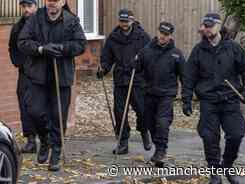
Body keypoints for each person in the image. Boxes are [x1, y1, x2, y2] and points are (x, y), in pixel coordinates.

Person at [182, 13, 245, 184]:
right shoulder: (198, 51)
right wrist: (186, 99)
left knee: (236, 134)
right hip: (208, 101)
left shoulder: (233, 48)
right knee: (209, 137)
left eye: (210, 26)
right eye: (205, 26)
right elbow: (189, 77)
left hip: (230, 100)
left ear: (218, 26)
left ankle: (227, 165)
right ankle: (214, 172)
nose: (207, 29)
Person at [18, 0, 87, 171]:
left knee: (58, 116)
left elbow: (80, 44)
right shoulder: (35, 18)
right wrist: (41, 49)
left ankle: (56, 152)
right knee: (34, 111)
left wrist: (62, 48)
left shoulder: (71, 20)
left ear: (62, 2)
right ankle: (45, 140)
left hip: (61, 77)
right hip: (38, 75)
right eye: (49, 0)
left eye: (56, 1)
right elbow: (23, 41)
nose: (52, 4)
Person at [97, 8, 151, 155]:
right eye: (122, 21)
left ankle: (144, 131)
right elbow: (106, 58)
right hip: (120, 79)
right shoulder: (113, 37)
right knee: (119, 112)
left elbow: (151, 57)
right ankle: (123, 141)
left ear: (132, 20)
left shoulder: (143, 37)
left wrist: (140, 64)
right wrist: (103, 69)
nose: (124, 24)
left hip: (137, 79)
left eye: (126, 21)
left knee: (142, 110)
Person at [136, 21, 185, 164]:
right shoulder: (146, 51)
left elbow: (184, 75)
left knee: (162, 122)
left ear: (170, 36)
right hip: (149, 93)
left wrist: (186, 97)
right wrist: (135, 64)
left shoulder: (176, 54)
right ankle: (158, 149)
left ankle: (161, 151)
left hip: (166, 94)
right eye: (161, 33)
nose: (163, 37)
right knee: (150, 123)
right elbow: (137, 70)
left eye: (166, 34)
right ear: (157, 32)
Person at [8, 0, 38, 154]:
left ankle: (48, 139)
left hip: (41, 72)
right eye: (23, 7)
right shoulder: (18, 26)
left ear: (35, 6)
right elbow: (12, 47)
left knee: (41, 106)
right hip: (25, 72)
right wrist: (18, 63)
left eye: (29, 6)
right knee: (24, 104)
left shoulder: (42, 24)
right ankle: (31, 140)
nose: (26, 9)